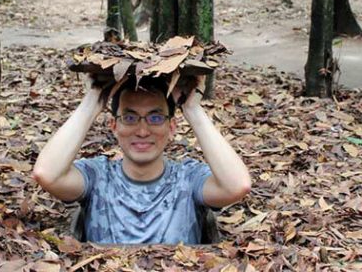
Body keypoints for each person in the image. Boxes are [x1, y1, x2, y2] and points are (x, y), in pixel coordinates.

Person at [32, 74, 251, 244]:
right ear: (114, 126)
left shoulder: (188, 178)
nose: (143, 131)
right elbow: (47, 174)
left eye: (155, 118)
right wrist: (92, 101)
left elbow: (237, 186)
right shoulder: (98, 176)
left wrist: (192, 109)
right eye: (130, 118)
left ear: (171, 127)